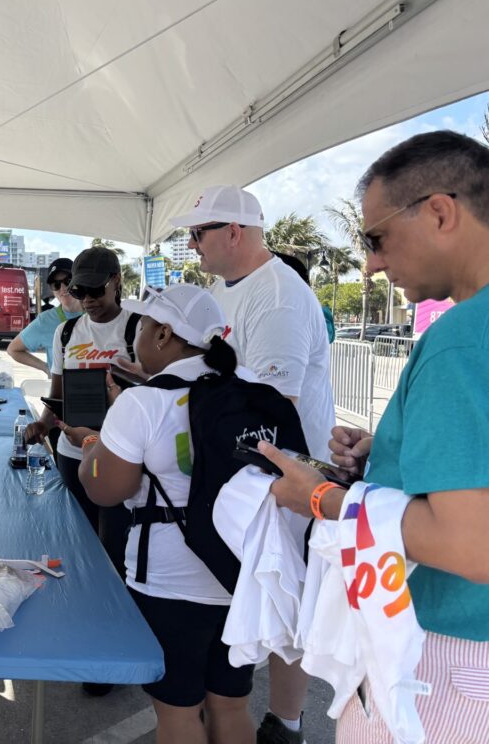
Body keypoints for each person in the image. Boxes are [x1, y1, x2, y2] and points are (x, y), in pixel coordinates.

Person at [260, 130, 489, 743]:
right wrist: (384, 460)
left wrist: (321, 498)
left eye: (377, 238)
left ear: (440, 212)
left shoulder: (462, 338)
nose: (372, 263)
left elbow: (472, 545)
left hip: (443, 661)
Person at [173, 185, 335, 744]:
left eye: (198, 233)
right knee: (257, 593)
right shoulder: (226, 289)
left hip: (285, 477)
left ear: (233, 232)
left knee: (289, 600)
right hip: (244, 472)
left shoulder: (280, 297)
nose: (192, 245)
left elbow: (274, 403)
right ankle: (228, 699)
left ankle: (286, 723)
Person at [75, 284, 255, 744]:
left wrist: (96, 444)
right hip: (247, 574)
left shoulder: (144, 402)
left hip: (172, 582)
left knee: (179, 712)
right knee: (232, 703)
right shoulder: (256, 388)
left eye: (143, 325)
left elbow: (105, 491)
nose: (135, 335)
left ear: (163, 334)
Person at [23, 246, 138, 696]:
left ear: (116, 281)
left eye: (95, 289)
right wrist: (44, 422)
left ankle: (111, 655)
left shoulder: (138, 327)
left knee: (114, 555)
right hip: (75, 457)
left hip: (122, 458)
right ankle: (88, 640)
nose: (87, 298)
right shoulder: (68, 333)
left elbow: (157, 394)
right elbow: (58, 392)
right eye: (78, 290)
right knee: (81, 549)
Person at [7, 257, 83, 377]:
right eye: (56, 285)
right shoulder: (45, 320)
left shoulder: (95, 313)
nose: (62, 288)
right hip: (60, 393)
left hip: (94, 392)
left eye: (68, 281)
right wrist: (46, 368)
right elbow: (13, 349)